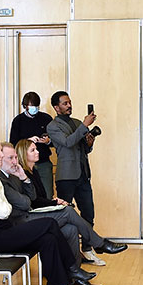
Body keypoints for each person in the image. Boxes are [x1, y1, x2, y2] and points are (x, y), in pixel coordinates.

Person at [0, 137, 94, 285]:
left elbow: (5, 209)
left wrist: (1, 208)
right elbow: (5, 211)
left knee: (48, 240)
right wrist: (1, 209)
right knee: (50, 224)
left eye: (0, 151)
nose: (0, 155)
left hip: (4, 228)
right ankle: (72, 268)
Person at [3, 141, 125, 268]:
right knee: (68, 211)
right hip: (30, 216)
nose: (38, 152)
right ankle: (99, 243)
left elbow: (38, 198)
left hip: (36, 212)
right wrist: (54, 202)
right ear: (24, 153)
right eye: (33, 150)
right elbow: (32, 201)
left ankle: (75, 274)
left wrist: (54, 202)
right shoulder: (20, 175)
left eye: (36, 149)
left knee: (71, 229)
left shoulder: (34, 171)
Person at [46, 91, 102, 262]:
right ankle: (69, 252)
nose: (69, 106)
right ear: (56, 107)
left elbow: (83, 147)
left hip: (83, 174)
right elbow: (68, 143)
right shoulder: (52, 126)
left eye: (69, 102)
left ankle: (87, 248)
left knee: (88, 212)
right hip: (66, 176)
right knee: (65, 214)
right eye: (64, 103)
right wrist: (84, 126)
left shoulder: (77, 123)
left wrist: (89, 143)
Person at [8, 91, 54, 198]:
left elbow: (57, 142)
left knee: (47, 194)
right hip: (24, 164)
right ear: (25, 106)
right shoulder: (18, 121)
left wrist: (48, 141)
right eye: (32, 106)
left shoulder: (46, 119)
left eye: (36, 106)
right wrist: (28, 141)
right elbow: (13, 144)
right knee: (28, 194)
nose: (35, 109)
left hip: (43, 163)